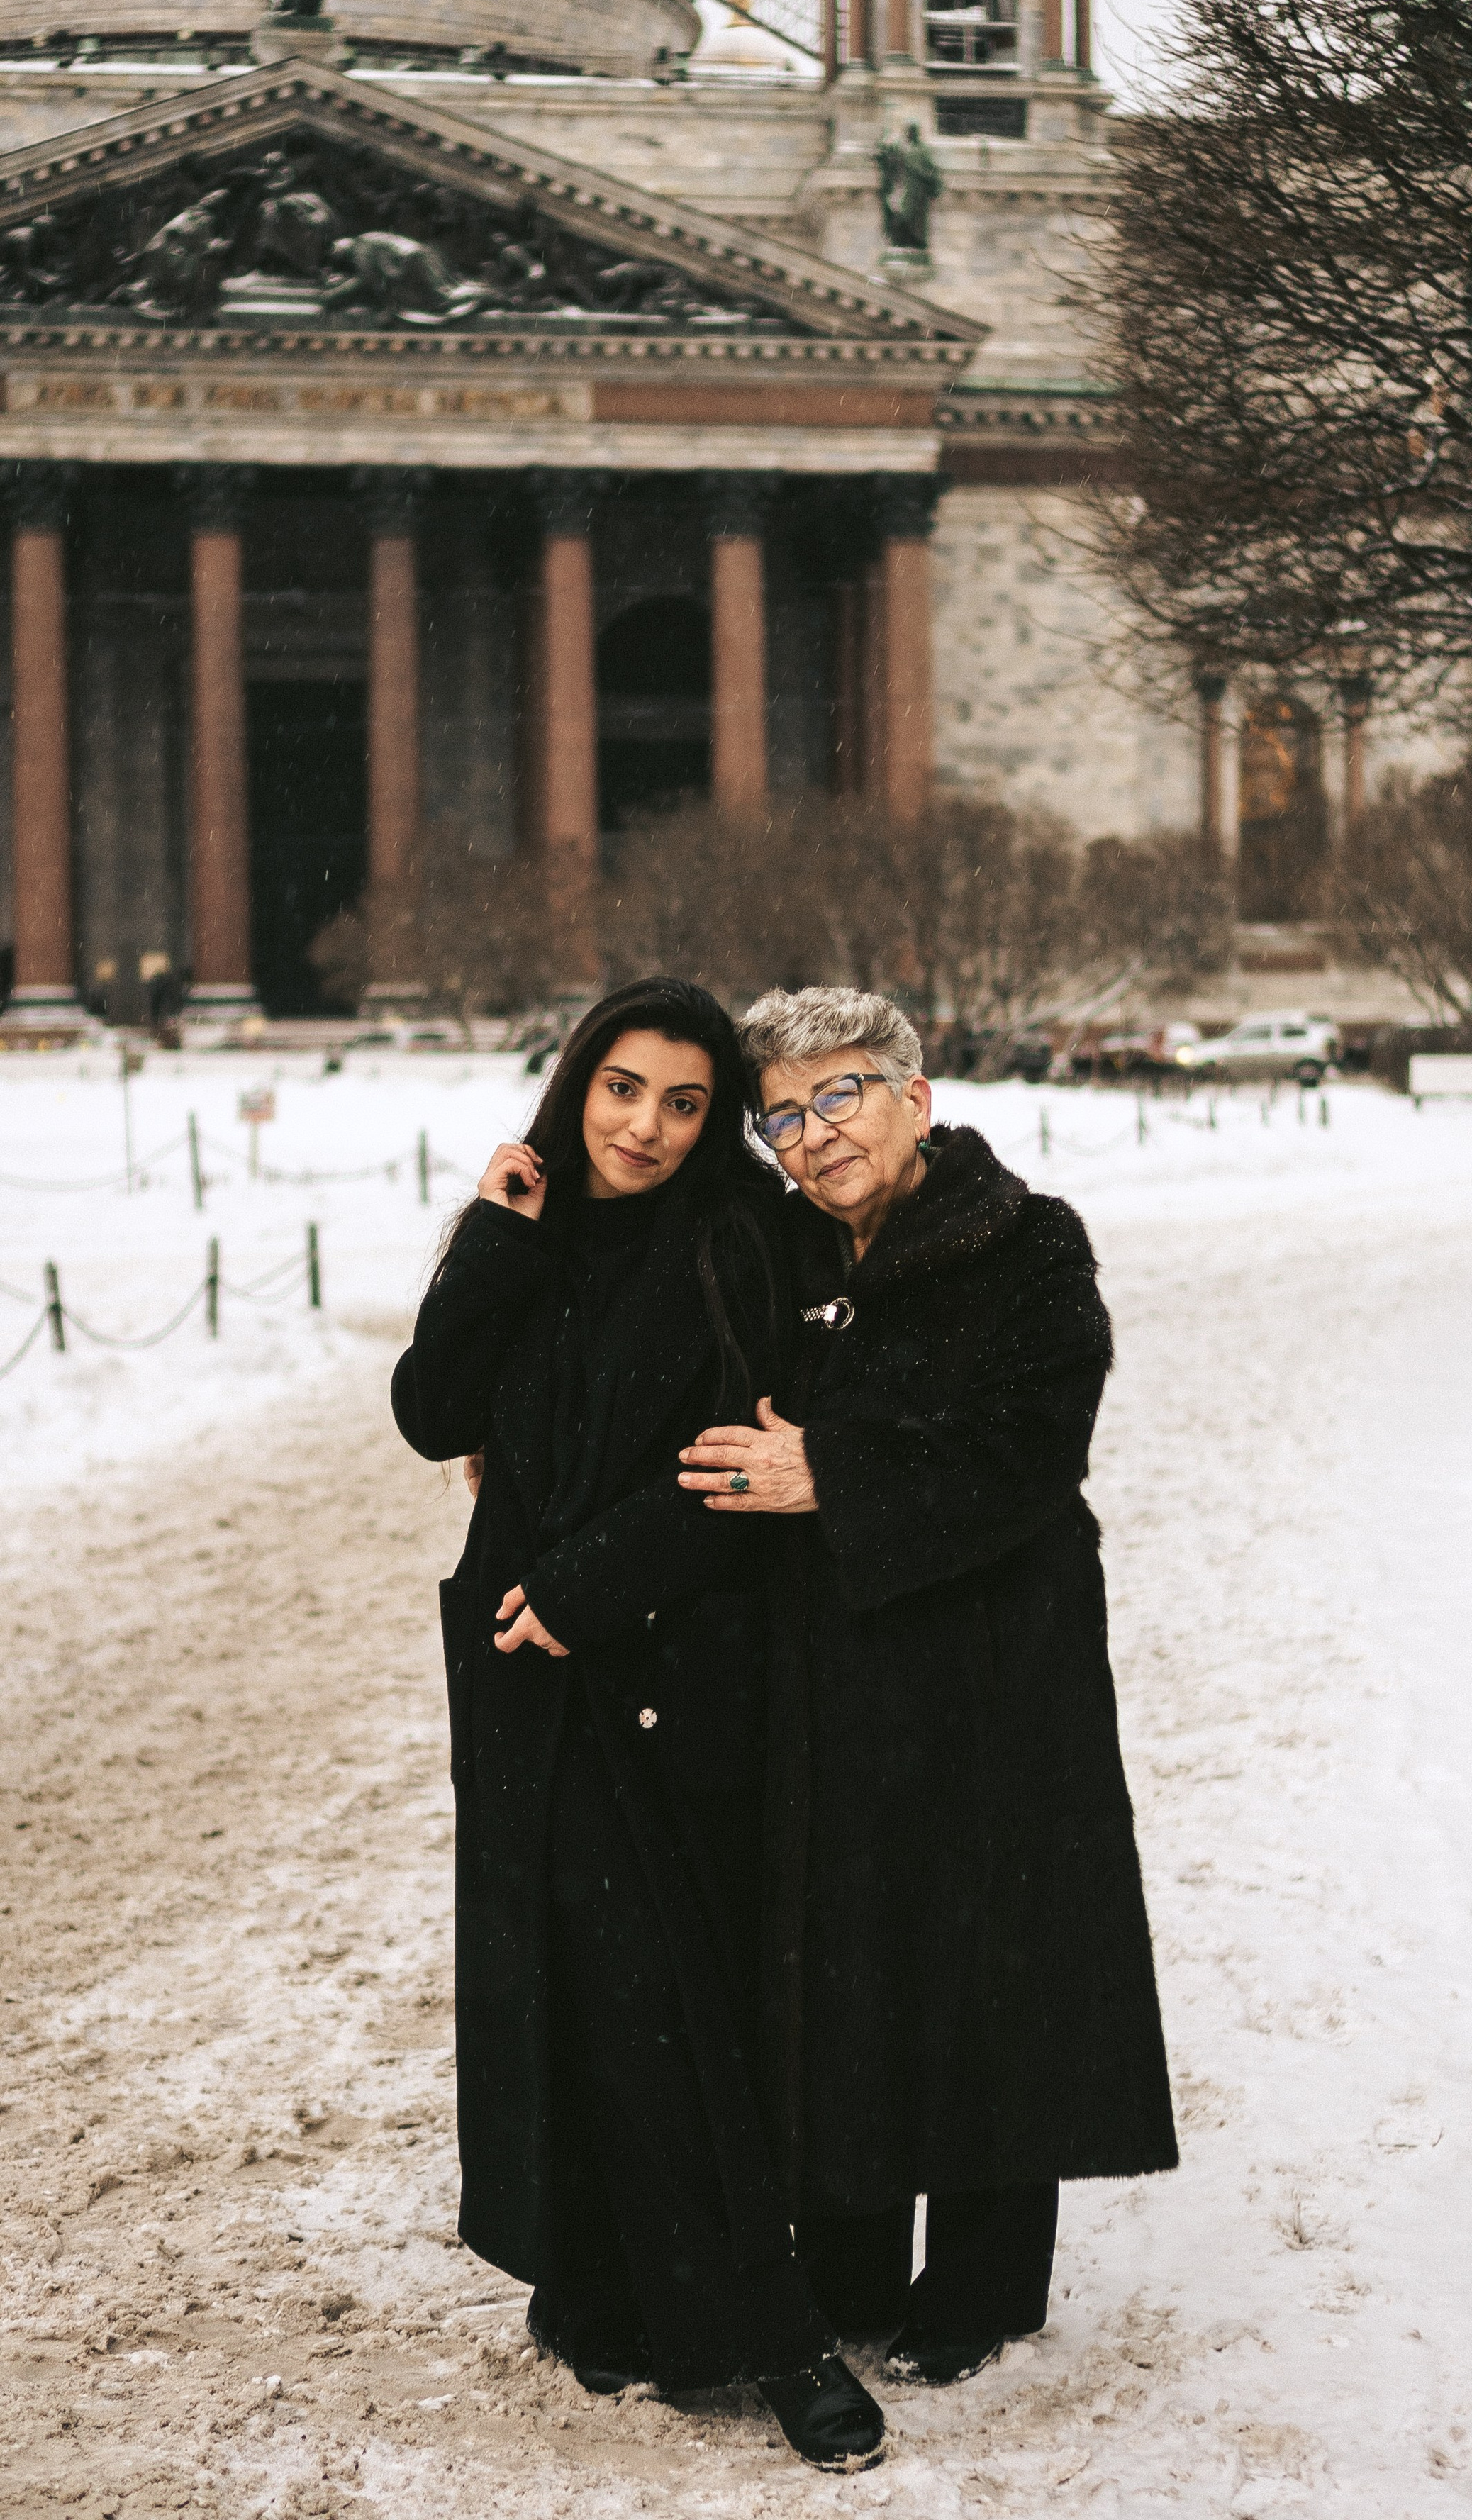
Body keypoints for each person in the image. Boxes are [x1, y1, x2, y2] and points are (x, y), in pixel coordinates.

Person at [391, 977, 886, 2472]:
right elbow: (428, 1412)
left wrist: (585, 1584)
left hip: (663, 1656)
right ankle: (600, 2283)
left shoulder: (740, 1240)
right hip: (519, 1660)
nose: (647, 1128)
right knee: (562, 1976)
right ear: (577, 1081)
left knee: (664, 1987)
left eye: (683, 1102)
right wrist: (491, 1233)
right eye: (623, 1090)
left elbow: (729, 1469)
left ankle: (776, 2331)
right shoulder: (529, 1233)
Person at [679, 986, 1178, 2385]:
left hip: (989, 1671)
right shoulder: (772, 1251)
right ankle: (841, 2262)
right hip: (825, 1670)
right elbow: (648, 1342)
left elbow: (1030, 1443)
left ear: (913, 1094)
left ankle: (978, 2286)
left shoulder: (1023, 1240)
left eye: (837, 1095)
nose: (809, 1132)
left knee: (989, 1965)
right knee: (837, 1963)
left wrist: (828, 1470)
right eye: (780, 1112)